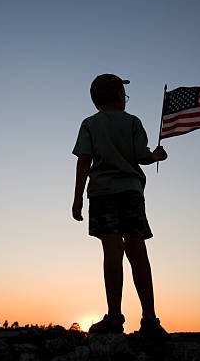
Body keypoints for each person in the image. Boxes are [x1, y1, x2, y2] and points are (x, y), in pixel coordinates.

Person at [72, 74, 170, 340]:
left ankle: (114, 316)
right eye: (124, 94)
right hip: (131, 193)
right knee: (138, 252)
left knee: (112, 253)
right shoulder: (133, 122)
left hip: (102, 194)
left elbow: (84, 160)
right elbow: (142, 156)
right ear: (118, 95)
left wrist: (77, 197)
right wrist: (156, 156)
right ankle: (150, 319)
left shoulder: (89, 124)